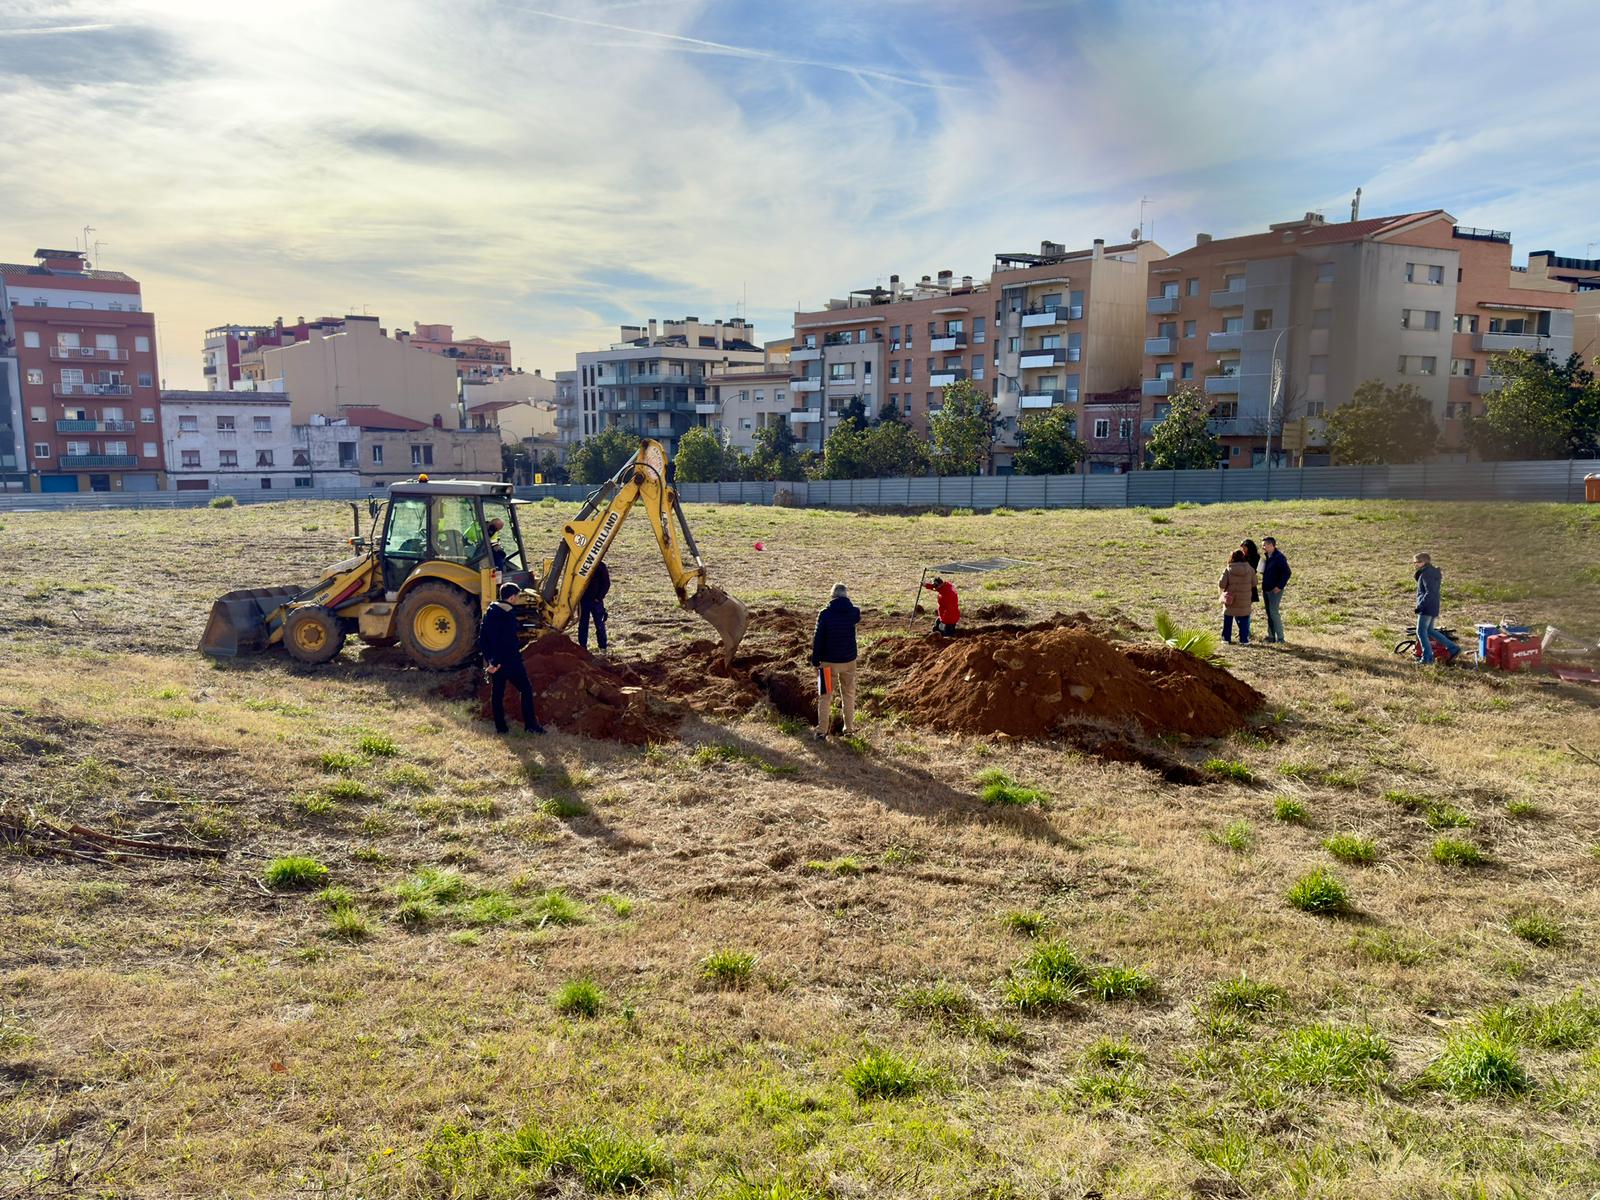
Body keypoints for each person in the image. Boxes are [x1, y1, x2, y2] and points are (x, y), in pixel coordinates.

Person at [480, 582, 544, 734]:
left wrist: (491, 661)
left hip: (494, 663)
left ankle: (501, 728)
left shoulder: (489, 612)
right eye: (517, 596)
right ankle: (531, 725)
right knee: (526, 689)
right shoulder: (507, 615)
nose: (517, 599)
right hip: (510, 661)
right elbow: (507, 642)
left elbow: (483, 639)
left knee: (497, 694)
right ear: (513, 597)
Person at [810, 581, 861, 740]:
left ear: (832, 596)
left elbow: (818, 638)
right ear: (846, 596)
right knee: (848, 694)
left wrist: (815, 660)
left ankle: (821, 731)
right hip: (849, 662)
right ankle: (849, 729)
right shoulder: (854, 612)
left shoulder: (824, 614)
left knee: (825, 696)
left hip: (827, 662)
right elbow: (855, 616)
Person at [1413, 552, 1460, 665]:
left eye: (1416, 562)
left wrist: (1420, 606)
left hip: (1427, 607)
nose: (1414, 564)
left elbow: (1430, 592)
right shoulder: (1432, 572)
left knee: (1420, 631)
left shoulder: (1426, 574)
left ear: (1423, 562)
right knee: (1429, 631)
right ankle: (1453, 648)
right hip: (1433, 606)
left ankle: (1427, 658)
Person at [1218, 549, 1257, 645]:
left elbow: (1221, 584)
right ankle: (1244, 640)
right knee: (1244, 619)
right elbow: (1254, 583)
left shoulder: (1228, 569)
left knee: (1228, 618)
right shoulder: (1250, 569)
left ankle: (1226, 639)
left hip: (1230, 599)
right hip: (1244, 599)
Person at [1260, 536, 1292, 644]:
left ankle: (1281, 638)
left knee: (1274, 612)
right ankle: (1271, 636)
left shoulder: (1279, 557)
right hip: (1266, 589)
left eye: (1264, 545)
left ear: (1271, 545)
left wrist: (1279, 586)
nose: (1263, 547)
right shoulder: (1268, 556)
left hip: (1275, 590)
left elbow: (1287, 573)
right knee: (1269, 613)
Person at [579, 559, 610, 653]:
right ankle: (582, 648)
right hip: (583, 601)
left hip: (595, 601)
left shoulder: (600, 566)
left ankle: (603, 648)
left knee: (599, 625)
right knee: (583, 625)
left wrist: (599, 597)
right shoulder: (580, 565)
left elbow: (606, 583)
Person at [1240, 538, 1261, 603]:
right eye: (1242, 548)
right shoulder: (1241, 556)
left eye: (1244, 548)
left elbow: (1253, 569)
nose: (1243, 550)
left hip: (1249, 582)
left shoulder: (1255, 557)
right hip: (1240, 582)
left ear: (1249, 548)